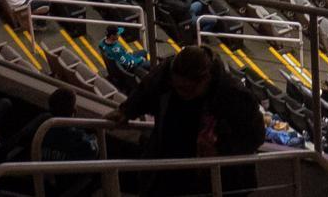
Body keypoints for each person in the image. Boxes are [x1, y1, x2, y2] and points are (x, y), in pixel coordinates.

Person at [111, 44, 266, 195]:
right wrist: (126, 111)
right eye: (177, 86)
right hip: (168, 162)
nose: (182, 93)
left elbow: (255, 136)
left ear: (206, 79)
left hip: (212, 174)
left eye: (188, 89)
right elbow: (146, 90)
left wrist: (220, 149)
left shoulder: (235, 95)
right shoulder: (166, 72)